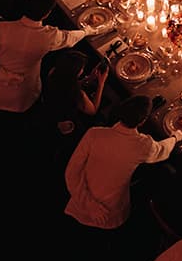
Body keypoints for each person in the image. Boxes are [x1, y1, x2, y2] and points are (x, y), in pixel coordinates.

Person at [65, 95, 176, 229]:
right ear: (142, 122)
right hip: (109, 211)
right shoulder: (143, 145)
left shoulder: (94, 134)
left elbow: (71, 173)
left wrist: (87, 202)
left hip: (80, 198)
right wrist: (176, 138)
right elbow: (162, 150)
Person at [0, 0, 87, 113]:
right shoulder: (49, 36)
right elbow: (69, 38)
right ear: (47, 14)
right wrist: (86, 31)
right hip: (26, 89)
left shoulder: (2, 28)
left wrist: (2, 75)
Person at [42, 49, 108, 137]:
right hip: (69, 123)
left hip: (51, 104)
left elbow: (67, 83)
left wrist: (89, 78)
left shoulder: (54, 72)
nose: (83, 70)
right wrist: (101, 83)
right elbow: (93, 110)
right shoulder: (77, 93)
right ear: (75, 72)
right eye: (82, 68)